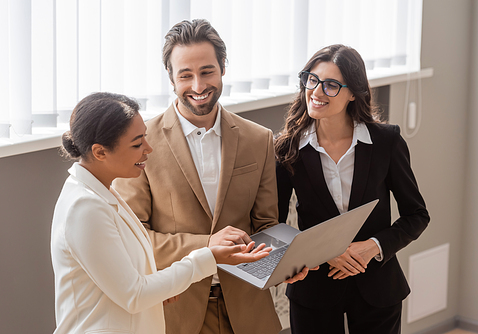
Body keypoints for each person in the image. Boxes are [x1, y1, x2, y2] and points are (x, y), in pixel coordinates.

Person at [113, 19, 310, 334]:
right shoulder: (140, 143)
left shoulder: (258, 139)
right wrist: (209, 246)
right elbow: (133, 240)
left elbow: (265, 226)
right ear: (171, 78)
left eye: (207, 72)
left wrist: (283, 262)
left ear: (222, 69)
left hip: (249, 311)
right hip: (176, 311)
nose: (198, 86)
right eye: (185, 75)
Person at [51, 92, 273, 334]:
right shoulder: (85, 208)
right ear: (100, 152)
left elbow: (127, 274)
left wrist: (161, 289)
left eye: (145, 137)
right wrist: (209, 257)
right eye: (137, 144)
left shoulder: (104, 192)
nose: (148, 148)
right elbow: (135, 295)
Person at [274, 44, 431, 334]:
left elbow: (416, 216)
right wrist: (321, 252)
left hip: (378, 287)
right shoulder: (287, 149)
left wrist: (372, 247)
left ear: (353, 93)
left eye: (331, 85)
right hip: (314, 290)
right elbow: (274, 224)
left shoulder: (387, 142)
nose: (317, 92)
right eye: (312, 79)